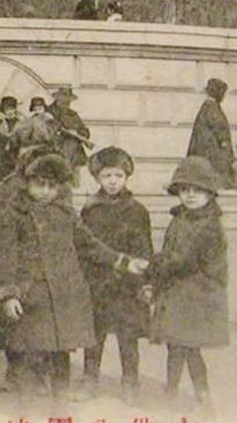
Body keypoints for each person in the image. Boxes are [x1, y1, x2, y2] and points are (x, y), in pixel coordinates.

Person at [0, 153, 146, 406]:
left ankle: (60, 407)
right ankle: (27, 411)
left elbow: (89, 245)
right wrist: (9, 294)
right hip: (32, 296)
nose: (45, 191)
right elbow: (4, 256)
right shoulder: (13, 215)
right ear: (27, 183)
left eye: (51, 186)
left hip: (64, 294)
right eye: (39, 184)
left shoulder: (66, 214)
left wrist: (123, 261)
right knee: (30, 354)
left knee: (61, 353)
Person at [143, 156, 229, 417]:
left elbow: (184, 261)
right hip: (178, 292)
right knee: (175, 345)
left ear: (210, 193)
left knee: (190, 348)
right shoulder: (181, 218)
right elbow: (170, 252)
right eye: (184, 189)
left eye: (197, 190)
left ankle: (203, 398)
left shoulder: (209, 225)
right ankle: (171, 391)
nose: (190, 195)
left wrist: (153, 265)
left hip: (197, 295)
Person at [77, 147, 153, 405]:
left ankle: (130, 382)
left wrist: (145, 281)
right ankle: (90, 380)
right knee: (94, 335)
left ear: (127, 176)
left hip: (127, 285)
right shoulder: (90, 209)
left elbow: (145, 249)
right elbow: (84, 247)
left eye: (118, 176)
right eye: (106, 176)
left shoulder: (137, 210)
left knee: (127, 336)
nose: (112, 181)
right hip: (97, 282)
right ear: (97, 177)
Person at [187, 78, 236, 187]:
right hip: (212, 148)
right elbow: (219, 126)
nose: (224, 96)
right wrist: (224, 142)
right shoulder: (212, 107)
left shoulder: (206, 106)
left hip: (203, 148)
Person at [48, 88, 92, 188]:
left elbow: (85, 131)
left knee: (74, 184)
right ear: (57, 99)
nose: (66, 103)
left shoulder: (73, 115)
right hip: (53, 152)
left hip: (73, 154)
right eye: (63, 99)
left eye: (68, 100)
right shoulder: (47, 113)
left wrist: (77, 133)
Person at [0, 96, 26, 186]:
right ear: (3, 110)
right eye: (7, 109)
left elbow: (24, 136)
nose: (9, 112)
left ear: (15, 109)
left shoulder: (21, 121)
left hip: (16, 149)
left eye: (12, 109)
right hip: (2, 150)